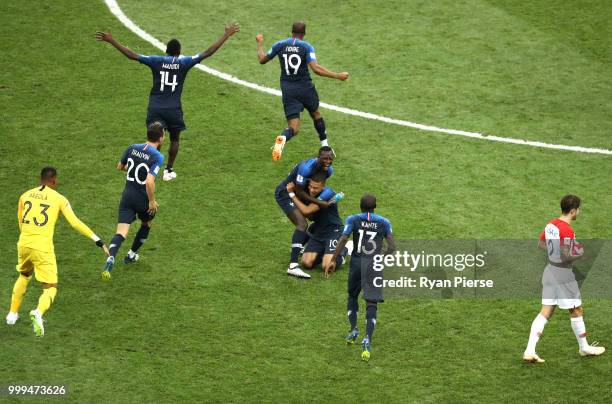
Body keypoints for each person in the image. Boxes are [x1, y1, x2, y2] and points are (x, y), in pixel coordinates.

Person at [95, 23, 240, 180]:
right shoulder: (184, 62)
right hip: (173, 109)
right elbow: (207, 53)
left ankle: (150, 166)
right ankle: (168, 170)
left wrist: (112, 40)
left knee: (155, 138)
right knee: (175, 138)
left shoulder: (156, 61)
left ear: (166, 51)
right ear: (179, 53)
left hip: (155, 107)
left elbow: (133, 55)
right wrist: (226, 35)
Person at [6, 167, 109, 336]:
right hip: (42, 247)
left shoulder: (25, 195)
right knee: (50, 287)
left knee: (24, 275)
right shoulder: (59, 198)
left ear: (41, 179)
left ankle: (12, 314)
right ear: (54, 180)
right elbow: (75, 223)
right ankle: (38, 313)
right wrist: (98, 240)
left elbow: (20, 221)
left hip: (24, 242)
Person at [523, 195, 605, 363]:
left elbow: (541, 245)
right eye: (578, 209)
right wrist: (580, 252)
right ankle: (584, 347)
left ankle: (529, 350)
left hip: (550, 271)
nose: (579, 212)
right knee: (576, 310)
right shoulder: (567, 230)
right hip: (563, 275)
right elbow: (567, 256)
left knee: (545, 312)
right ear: (573, 210)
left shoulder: (550, 224)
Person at [256, 22, 349, 161]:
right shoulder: (306, 47)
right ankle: (325, 145)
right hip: (305, 87)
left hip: (288, 90)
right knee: (316, 114)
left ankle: (282, 138)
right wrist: (337, 75)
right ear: (304, 34)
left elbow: (262, 60)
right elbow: (316, 69)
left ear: (291, 31)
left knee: (294, 128)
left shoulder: (279, 45)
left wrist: (259, 43)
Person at [327, 194, 395, 361]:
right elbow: (392, 247)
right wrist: (381, 257)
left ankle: (353, 330)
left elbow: (344, 238)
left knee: (352, 296)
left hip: (357, 263)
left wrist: (333, 258)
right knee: (371, 302)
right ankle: (367, 339)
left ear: (360, 206)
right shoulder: (384, 222)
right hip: (374, 263)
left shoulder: (353, 219)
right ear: (375, 206)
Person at [102, 122, 165, 279]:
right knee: (146, 223)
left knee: (121, 232)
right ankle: (131, 254)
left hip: (127, 196)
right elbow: (149, 182)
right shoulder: (157, 156)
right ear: (161, 137)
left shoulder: (132, 147)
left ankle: (111, 256)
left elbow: (120, 166)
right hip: (142, 199)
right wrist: (152, 201)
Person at [274, 146, 334, 278]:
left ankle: (300, 245)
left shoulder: (329, 170)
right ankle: (293, 266)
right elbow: (299, 190)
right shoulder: (306, 168)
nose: (328, 161)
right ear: (318, 157)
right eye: (325, 158)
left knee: (317, 216)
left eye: (330, 158)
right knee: (302, 224)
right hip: (286, 192)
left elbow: (318, 185)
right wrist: (319, 202)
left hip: (302, 192)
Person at [286, 171, 351, 273]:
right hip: (319, 232)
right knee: (306, 263)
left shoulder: (328, 193)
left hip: (333, 231)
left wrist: (291, 194)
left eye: (316, 188)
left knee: (327, 266)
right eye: (311, 186)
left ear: (323, 186)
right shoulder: (307, 192)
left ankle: (342, 252)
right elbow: (310, 217)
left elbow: (306, 211)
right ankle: (326, 251)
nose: (312, 190)